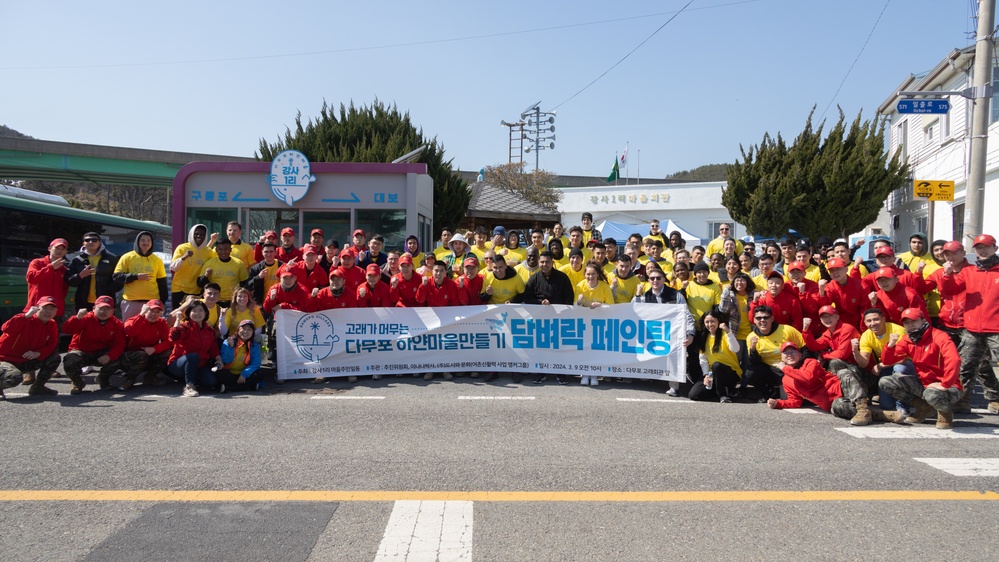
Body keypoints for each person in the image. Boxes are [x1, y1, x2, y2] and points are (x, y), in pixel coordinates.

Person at [938, 233, 999, 415]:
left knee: (981, 367)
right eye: (979, 248)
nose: (982, 250)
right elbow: (951, 289)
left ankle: (995, 398)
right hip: (972, 328)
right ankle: (962, 401)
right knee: (966, 366)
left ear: (994, 248)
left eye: (986, 247)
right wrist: (947, 275)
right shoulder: (968, 271)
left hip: (996, 328)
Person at [880, 308, 962, 429]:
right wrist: (890, 345)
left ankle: (945, 414)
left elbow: (954, 360)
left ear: (923, 320)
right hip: (925, 384)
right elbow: (888, 361)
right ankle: (923, 408)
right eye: (906, 322)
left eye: (914, 321)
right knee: (885, 382)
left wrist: (945, 384)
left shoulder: (939, 336)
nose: (910, 325)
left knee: (931, 394)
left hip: (950, 386)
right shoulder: (907, 339)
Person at [766, 341, 879, 426]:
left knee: (844, 372)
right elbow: (795, 401)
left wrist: (785, 369)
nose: (789, 355)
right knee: (839, 407)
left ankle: (863, 409)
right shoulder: (786, 379)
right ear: (782, 357)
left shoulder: (811, 362)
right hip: (832, 403)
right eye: (786, 352)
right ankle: (886, 415)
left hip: (842, 389)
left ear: (800, 354)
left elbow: (807, 377)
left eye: (793, 351)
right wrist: (778, 403)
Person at [634, 266, 697, 395]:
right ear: (648, 281)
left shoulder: (676, 295)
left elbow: (687, 315)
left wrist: (690, 334)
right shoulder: (645, 296)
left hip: (672, 335)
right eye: (652, 278)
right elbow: (633, 309)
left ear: (664, 279)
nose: (655, 280)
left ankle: (674, 386)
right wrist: (637, 295)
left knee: (674, 355)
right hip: (654, 335)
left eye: (658, 278)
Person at [852, 307, 912, 417]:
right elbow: (863, 363)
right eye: (869, 321)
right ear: (865, 322)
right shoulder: (866, 335)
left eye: (876, 319)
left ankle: (903, 406)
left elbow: (902, 359)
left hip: (907, 364)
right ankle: (910, 401)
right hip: (887, 366)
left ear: (883, 319)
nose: (873, 323)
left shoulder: (897, 330)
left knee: (899, 369)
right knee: (886, 405)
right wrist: (855, 351)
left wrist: (880, 365)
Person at [0, 297, 62, 398]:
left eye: (52, 309)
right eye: (45, 308)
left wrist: (38, 353)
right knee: (14, 378)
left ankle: (38, 388)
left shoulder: (52, 324)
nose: (48, 312)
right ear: (37, 308)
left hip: (25, 360)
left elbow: (51, 344)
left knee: (54, 357)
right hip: (4, 359)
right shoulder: (25, 319)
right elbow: (6, 328)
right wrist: (26, 316)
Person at [62, 296, 126, 393]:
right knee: (70, 359)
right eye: (101, 308)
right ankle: (77, 382)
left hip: (101, 353)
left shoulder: (117, 324)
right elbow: (66, 329)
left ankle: (103, 379)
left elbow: (120, 344)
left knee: (118, 358)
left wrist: (109, 356)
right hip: (82, 351)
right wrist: (77, 318)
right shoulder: (85, 318)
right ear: (94, 308)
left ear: (113, 311)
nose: (103, 312)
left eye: (107, 309)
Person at [745, 304, 806, 402]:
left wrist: (799, 367)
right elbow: (754, 363)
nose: (762, 320)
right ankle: (768, 392)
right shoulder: (751, 337)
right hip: (770, 371)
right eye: (759, 318)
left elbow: (805, 349)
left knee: (789, 399)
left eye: (766, 317)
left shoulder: (787, 330)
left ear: (772, 318)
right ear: (754, 320)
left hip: (789, 369)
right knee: (750, 373)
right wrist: (753, 349)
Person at [167, 299, 222, 398]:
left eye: (200, 310)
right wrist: (178, 319)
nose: (197, 313)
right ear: (189, 313)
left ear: (205, 313)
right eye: (194, 310)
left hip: (199, 365)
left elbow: (213, 348)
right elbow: (173, 337)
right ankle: (189, 386)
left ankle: (188, 379)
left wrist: (219, 360)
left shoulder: (209, 330)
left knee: (211, 382)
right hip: (178, 365)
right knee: (193, 356)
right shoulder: (185, 327)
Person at [688, 308, 742, 403]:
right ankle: (721, 389)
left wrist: (728, 332)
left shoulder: (725, 334)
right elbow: (703, 359)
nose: (710, 324)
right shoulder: (704, 337)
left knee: (717, 365)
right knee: (694, 394)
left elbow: (736, 348)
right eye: (707, 322)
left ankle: (723, 395)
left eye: (713, 321)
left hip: (730, 372)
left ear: (718, 321)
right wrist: (705, 376)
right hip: (712, 374)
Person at [113, 231, 168, 320]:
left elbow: (162, 283)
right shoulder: (127, 257)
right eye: (143, 240)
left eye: (148, 240)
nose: (146, 243)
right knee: (130, 329)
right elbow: (117, 277)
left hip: (152, 303)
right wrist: (135, 277)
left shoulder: (157, 260)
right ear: (137, 242)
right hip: (131, 302)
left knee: (150, 331)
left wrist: (163, 302)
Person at [118, 299, 171, 390]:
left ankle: (150, 377)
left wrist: (154, 349)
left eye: (157, 312)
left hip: (149, 353)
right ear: (145, 310)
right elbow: (130, 332)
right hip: (129, 357)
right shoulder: (132, 320)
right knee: (141, 354)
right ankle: (130, 379)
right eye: (151, 310)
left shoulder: (161, 323)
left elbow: (169, 341)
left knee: (168, 352)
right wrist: (141, 315)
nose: (153, 314)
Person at [65, 232, 121, 313]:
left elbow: (119, 278)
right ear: (83, 243)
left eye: (94, 240)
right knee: (83, 325)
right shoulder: (76, 260)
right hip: (83, 302)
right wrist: (80, 275)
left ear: (100, 243)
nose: (91, 242)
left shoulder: (112, 258)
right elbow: (69, 280)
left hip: (105, 302)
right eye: (87, 240)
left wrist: (109, 290)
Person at [169, 224, 216, 309]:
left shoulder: (209, 251)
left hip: (197, 291)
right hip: (180, 290)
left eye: (202, 234)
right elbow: (173, 268)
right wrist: (184, 257)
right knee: (178, 316)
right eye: (196, 234)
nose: (199, 236)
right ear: (191, 234)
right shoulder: (182, 248)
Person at [25, 238, 70, 321]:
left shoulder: (64, 269)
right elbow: (31, 278)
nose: (59, 251)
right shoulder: (37, 263)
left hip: (55, 311)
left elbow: (64, 290)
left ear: (66, 252)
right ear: (49, 248)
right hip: (37, 309)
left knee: (54, 333)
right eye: (57, 248)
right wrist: (50, 268)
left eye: (62, 249)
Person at [818, 258, 867, 332]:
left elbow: (865, 309)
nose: (835, 273)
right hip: (840, 325)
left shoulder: (861, 286)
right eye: (832, 271)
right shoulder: (830, 286)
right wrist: (821, 290)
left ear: (846, 269)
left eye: (838, 269)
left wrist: (863, 329)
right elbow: (825, 306)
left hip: (859, 324)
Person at [196, 237, 248, 308]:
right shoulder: (209, 263)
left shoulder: (238, 263)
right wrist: (206, 275)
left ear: (230, 250)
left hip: (232, 301)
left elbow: (244, 283)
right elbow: (200, 284)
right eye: (220, 249)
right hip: (214, 300)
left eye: (226, 249)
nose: (223, 252)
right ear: (216, 250)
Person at [218, 319, 265, 393]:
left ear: (253, 332)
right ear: (238, 330)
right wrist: (230, 347)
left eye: (249, 329)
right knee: (219, 373)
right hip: (229, 372)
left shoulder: (254, 345)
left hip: (244, 373)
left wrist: (244, 374)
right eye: (243, 328)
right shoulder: (228, 341)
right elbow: (226, 360)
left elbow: (256, 363)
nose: (246, 332)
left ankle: (230, 388)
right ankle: (249, 386)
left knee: (260, 373)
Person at [247, 242, 282, 307]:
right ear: (262, 252)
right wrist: (258, 277)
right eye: (266, 252)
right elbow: (248, 286)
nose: (268, 254)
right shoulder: (256, 268)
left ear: (275, 252)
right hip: (261, 304)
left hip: (278, 303)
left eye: (271, 251)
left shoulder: (282, 266)